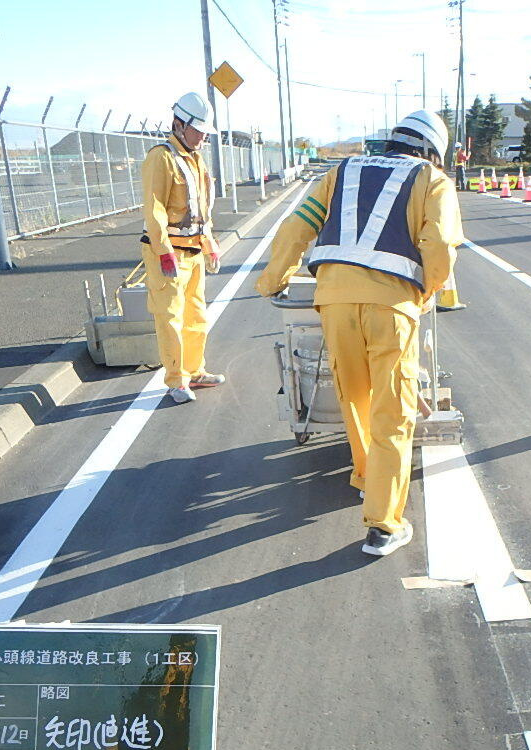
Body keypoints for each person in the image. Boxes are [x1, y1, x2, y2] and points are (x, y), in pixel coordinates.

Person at [256, 110, 463, 556]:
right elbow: (441, 243)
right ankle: (384, 524)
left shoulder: (341, 171)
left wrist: (272, 279)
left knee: (355, 395)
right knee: (394, 410)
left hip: (333, 299)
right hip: (391, 306)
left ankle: (367, 477)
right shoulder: (433, 180)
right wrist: (429, 290)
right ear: (431, 150)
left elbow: (298, 226)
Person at [140, 92, 225, 404]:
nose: (203, 136)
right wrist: (163, 252)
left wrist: (210, 243)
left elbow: (201, 208)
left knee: (196, 316)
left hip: (193, 251)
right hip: (169, 254)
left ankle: (195, 370)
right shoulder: (161, 158)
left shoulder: (195, 159)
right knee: (171, 318)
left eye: (204, 130)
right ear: (179, 124)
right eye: (199, 129)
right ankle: (176, 381)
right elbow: (155, 209)